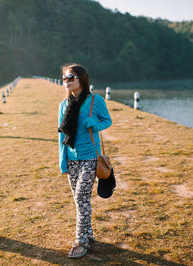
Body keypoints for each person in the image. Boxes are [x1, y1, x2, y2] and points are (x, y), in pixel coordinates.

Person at [58, 63, 112, 259]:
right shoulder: (63, 106)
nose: (67, 81)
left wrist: (95, 124)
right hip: (71, 158)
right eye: (64, 78)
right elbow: (61, 136)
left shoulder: (95, 101)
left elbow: (107, 120)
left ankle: (81, 241)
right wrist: (62, 160)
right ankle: (88, 233)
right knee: (78, 199)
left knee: (81, 197)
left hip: (90, 156)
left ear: (82, 79)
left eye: (70, 77)